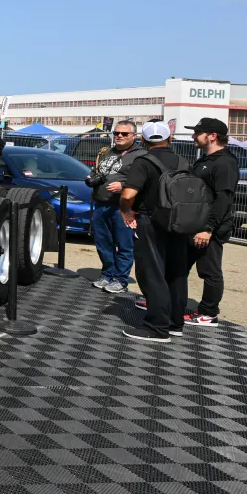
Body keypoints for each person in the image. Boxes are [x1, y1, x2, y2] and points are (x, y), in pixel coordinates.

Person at [118, 121, 189, 342]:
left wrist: (126, 211)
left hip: (152, 221)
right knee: (176, 273)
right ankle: (175, 323)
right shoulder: (183, 161)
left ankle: (157, 327)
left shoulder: (143, 162)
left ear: (143, 140)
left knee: (152, 273)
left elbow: (128, 194)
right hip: (180, 222)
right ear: (170, 139)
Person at [177, 117, 239, 327]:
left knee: (209, 271)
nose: (194, 135)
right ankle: (170, 302)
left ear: (212, 136)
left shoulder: (225, 163)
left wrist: (208, 228)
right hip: (193, 225)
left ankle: (208, 313)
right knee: (178, 265)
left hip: (209, 228)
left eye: (198, 132)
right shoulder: (205, 160)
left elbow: (224, 199)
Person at [86, 121, 144, 294]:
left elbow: (145, 180)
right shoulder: (107, 152)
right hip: (100, 203)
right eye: (116, 133)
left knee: (124, 245)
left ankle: (120, 279)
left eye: (124, 134)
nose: (119, 136)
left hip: (123, 208)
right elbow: (98, 171)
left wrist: (124, 185)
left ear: (134, 136)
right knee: (103, 243)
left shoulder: (140, 155)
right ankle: (107, 275)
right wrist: (92, 177)